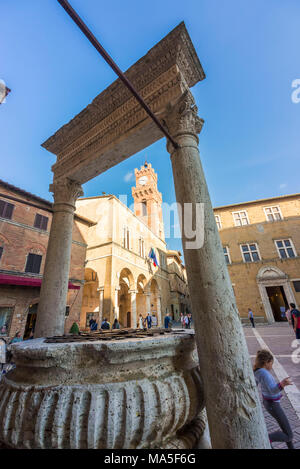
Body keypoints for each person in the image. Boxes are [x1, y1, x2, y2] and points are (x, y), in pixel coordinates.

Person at [254, 349, 294, 449]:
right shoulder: (264, 373)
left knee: (285, 430)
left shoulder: (257, 371)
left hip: (268, 403)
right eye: (271, 363)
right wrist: (282, 384)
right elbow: (273, 390)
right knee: (289, 435)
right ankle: (266, 438)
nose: (272, 366)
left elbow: (255, 384)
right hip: (273, 405)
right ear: (266, 362)